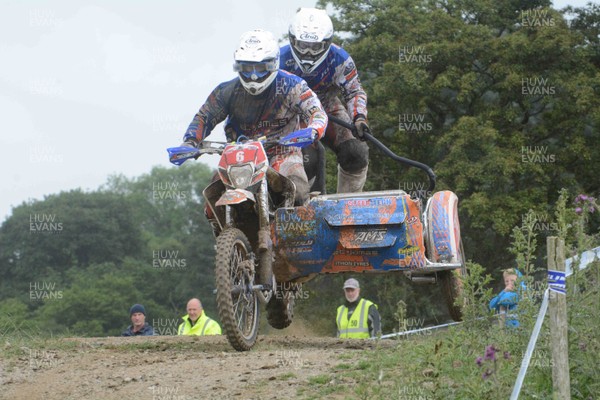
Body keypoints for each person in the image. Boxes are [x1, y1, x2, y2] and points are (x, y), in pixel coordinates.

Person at [179, 29, 327, 210]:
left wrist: (313, 129)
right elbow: (204, 117)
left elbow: (316, 112)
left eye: (260, 67)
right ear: (238, 66)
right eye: (248, 68)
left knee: (297, 190)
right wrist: (190, 142)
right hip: (239, 156)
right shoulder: (226, 91)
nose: (254, 76)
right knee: (212, 202)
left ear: (273, 64)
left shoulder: (292, 86)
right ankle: (226, 234)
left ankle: (301, 234)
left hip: (282, 150)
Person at [281, 8, 370, 194]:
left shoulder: (340, 60)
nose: (307, 52)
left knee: (355, 152)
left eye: (315, 47)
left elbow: (354, 91)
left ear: (327, 43)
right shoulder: (279, 60)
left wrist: (359, 117)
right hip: (292, 115)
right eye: (303, 45)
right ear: (292, 40)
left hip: (328, 107)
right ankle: (300, 205)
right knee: (308, 157)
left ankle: (347, 204)